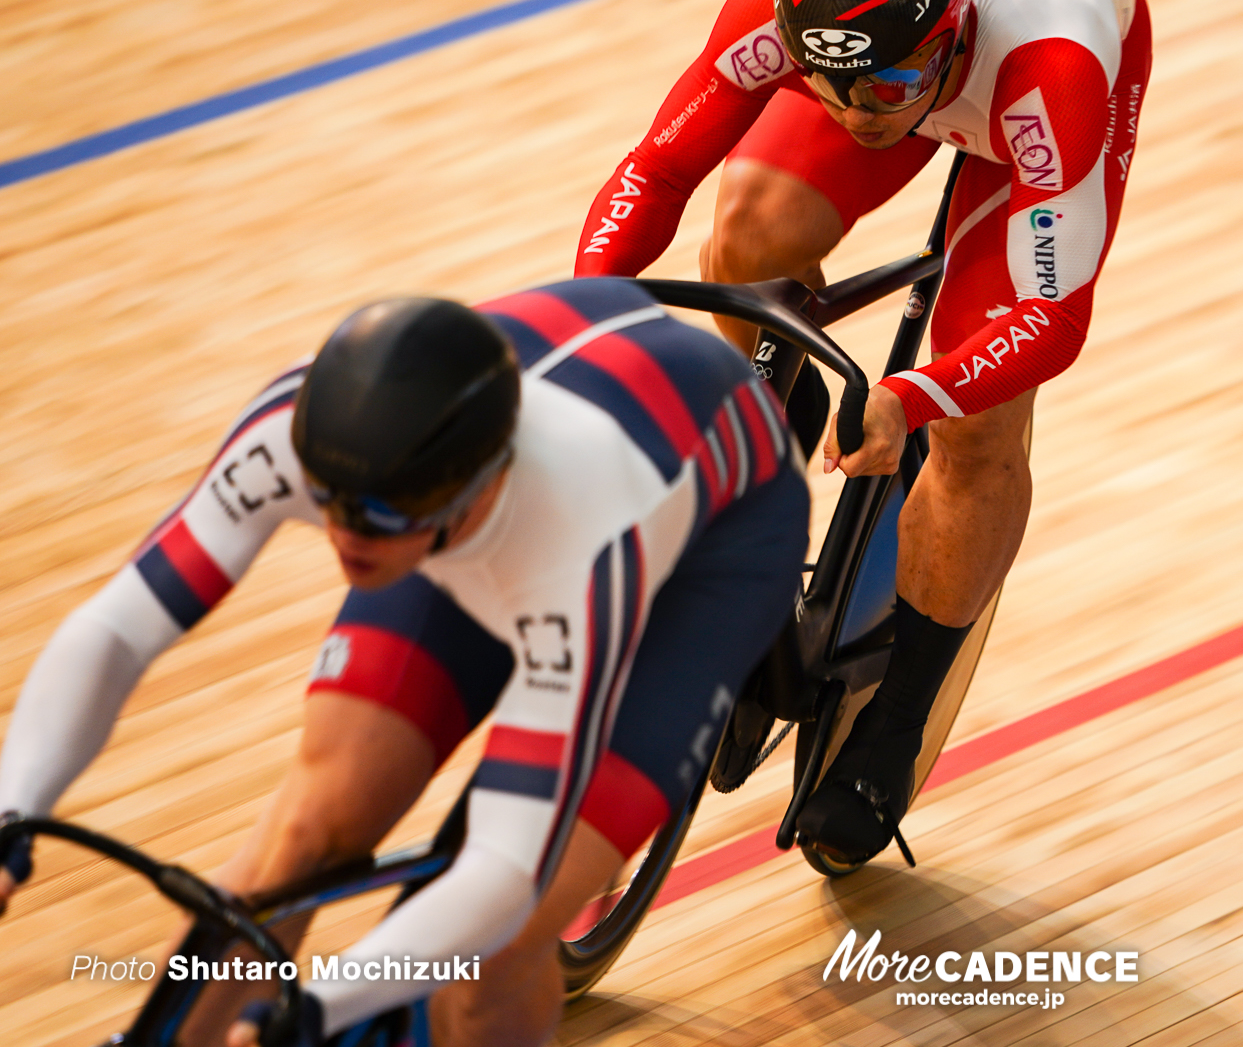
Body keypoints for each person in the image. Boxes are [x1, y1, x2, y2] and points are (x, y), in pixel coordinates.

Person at [0, 279, 807, 1046]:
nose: (346, 532)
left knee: (491, 956)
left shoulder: (577, 538)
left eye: (379, 514)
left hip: (709, 547)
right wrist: (12, 810)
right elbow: (118, 627)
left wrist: (320, 1004)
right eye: (326, 496)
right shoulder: (308, 432)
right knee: (303, 833)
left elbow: (503, 866)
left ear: (479, 487)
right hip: (501, 496)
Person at [574, 0, 1150, 865]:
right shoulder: (792, 17)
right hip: (936, 57)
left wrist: (912, 394)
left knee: (976, 426)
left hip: (1025, 110)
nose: (853, 111)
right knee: (749, 234)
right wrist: (576, 315)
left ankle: (895, 725)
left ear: (949, 33)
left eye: (881, 87)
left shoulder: (1053, 69)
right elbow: (657, 169)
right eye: (820, 80)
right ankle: (769, 465)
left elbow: (1052, 314)